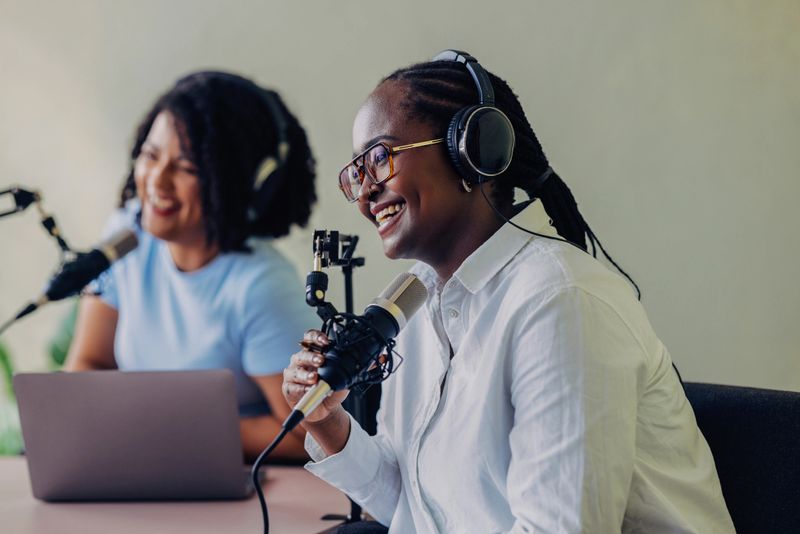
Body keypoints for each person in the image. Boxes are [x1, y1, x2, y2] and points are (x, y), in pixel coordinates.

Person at [282, 51, 735, 532]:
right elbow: (418, 510)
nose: (367, 190)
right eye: (356, 172)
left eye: (380, 157)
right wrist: (327, 423)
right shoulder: (416, 307)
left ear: (472, 150)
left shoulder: (560, 301)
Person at [66, 71, 318, 462]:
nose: (156, 182)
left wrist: (173, 431)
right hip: (141, 465)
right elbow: (90, 361)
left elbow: (305, 435)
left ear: (239, 182)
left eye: (186, 167)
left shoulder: (263, 286)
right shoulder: (126, 238)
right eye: (150, 156)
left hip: (237, 484)